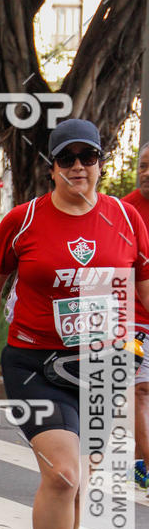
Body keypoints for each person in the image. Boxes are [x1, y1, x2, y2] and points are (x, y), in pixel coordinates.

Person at [0, 118, 149, 529]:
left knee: (78, 487)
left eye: (87, 157)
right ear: (52, 165)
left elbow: (142, 285)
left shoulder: (124, 218)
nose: (78, 167)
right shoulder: (23, 220)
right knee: (64, 475)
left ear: (100, 162)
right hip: (35, 363)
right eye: (66, 158)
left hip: (104, 363)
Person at [122, 142, 149, 490]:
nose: (147, 173)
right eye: (143, 166)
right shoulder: (126, 209)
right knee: (140, 390)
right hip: (133, 320)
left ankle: (141, 460)